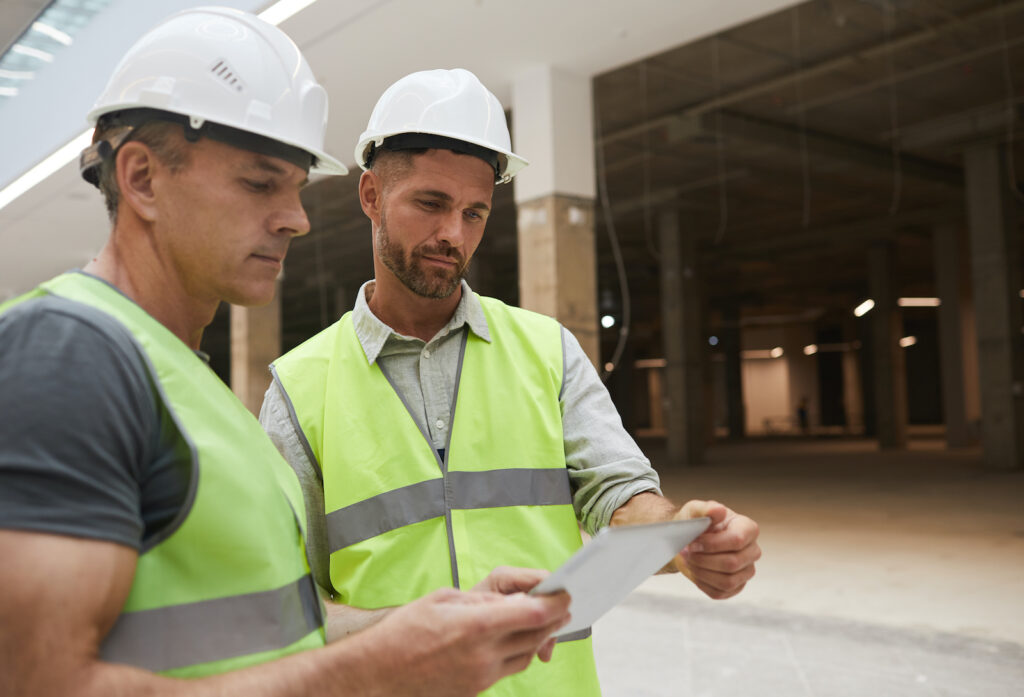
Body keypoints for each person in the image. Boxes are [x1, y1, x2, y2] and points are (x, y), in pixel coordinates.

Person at [0, 10, 572, 697]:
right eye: (259, 182)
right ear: (143, 179)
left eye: (297, 187)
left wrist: (422, 624)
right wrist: (374, 670)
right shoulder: (68, 353)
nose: (296, 218)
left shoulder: (190, 384)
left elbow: (270, 632)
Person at [260, 68, 762, 696]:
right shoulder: (299, 388)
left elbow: (617, 495)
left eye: (475, 213)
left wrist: (682, 539)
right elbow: (280, 610)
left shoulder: (546, 349)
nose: (454, 235)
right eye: (431, 204)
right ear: (369, 195)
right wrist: (411, 630)